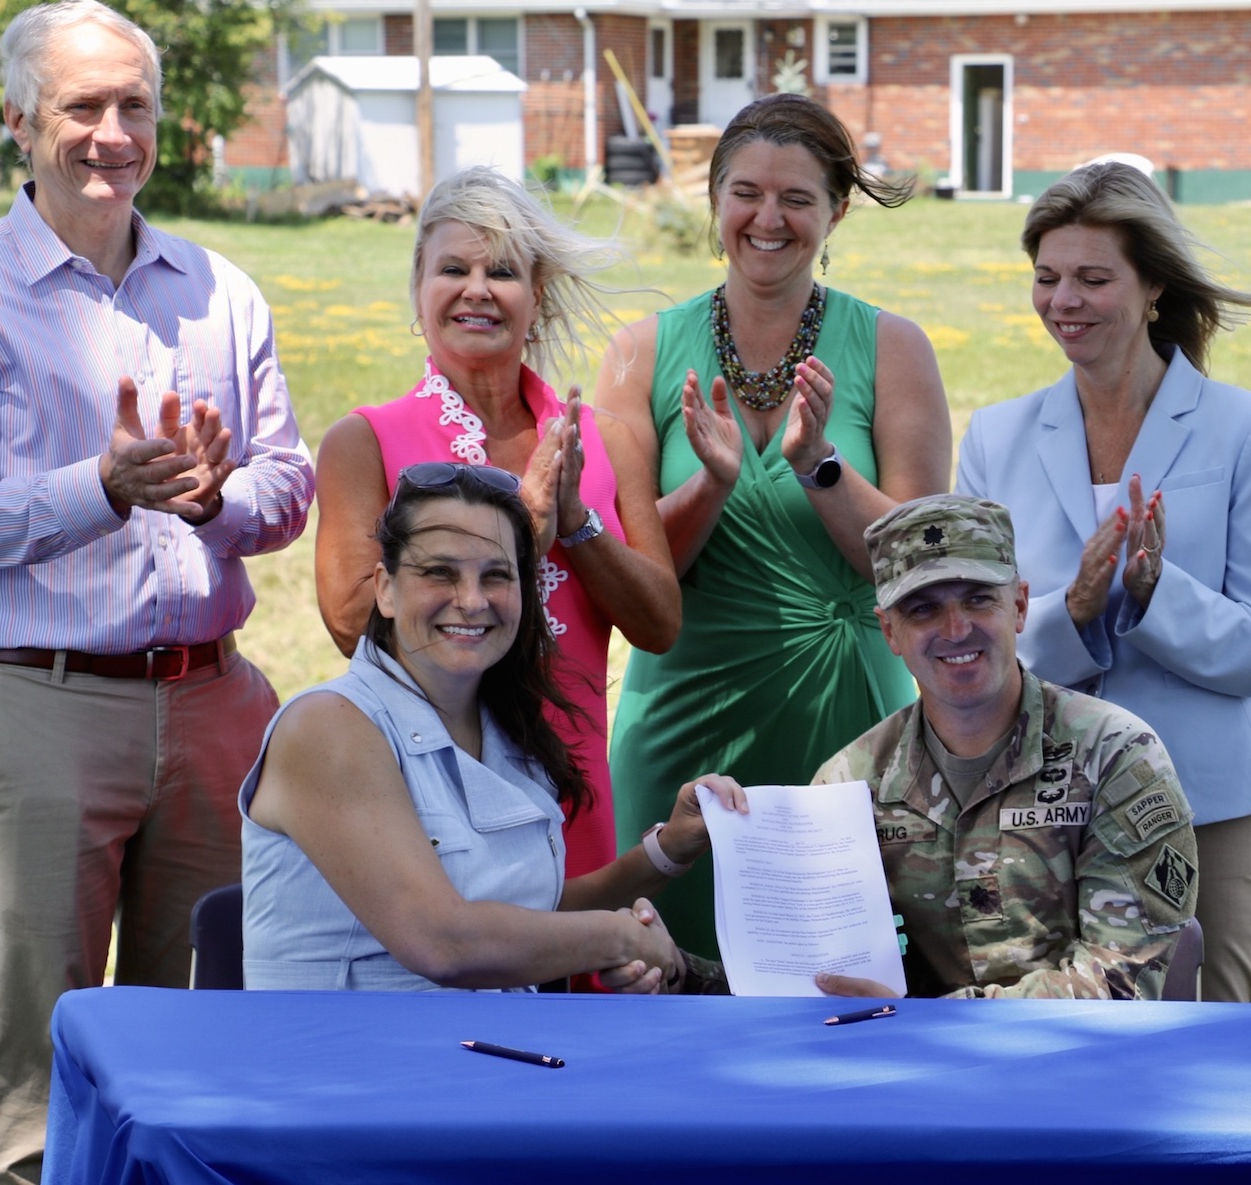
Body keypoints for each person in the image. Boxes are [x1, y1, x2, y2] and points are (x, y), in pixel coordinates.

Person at [0, 3, 314, 1180]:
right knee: (48, 1050)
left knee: (202, 1040)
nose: (112, 132)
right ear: (20, 120)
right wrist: (102, 489)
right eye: (83, 106)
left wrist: (216, 500)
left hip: (213, 701)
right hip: (39, 703)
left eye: (134, 105)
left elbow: (286, 486)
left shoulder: (219, 290)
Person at [596, 93, 951, 958]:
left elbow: (919, 566)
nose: (768, 218)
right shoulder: (639, 353)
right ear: (714, 200)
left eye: (797, 198)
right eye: (746, 193)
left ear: (836, 211)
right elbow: (632, 576)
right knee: (656, 972)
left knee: (841, 976)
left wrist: (819, 465)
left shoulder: (894, 348)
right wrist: (712, 485)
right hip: (679, 719)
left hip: (845, 717)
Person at [956, 160, 1251, 1003]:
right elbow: (970, 643)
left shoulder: (1247, 430)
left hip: (1205, 807)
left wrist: (1152, 595)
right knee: (1050, 1050)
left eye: (1093, 278)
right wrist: (1073, 613)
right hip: (1040, 815)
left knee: (1209, 1036)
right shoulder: (996, 438)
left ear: (1153, 287)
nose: (1063, 300)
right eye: (1047, 277)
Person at [632, 495, 1199, 1000]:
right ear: (889, 631)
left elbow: (1122, 978)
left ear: (1020, 607)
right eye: (922, 609)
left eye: (978, 599)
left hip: (1075, 1070)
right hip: (905, 1069)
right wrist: (678, 971)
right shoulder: (850, 784)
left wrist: (923, 1022)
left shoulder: (1115, 756)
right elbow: (808, 984)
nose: (955, 629)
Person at [243, 462, 737, 992]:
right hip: (351, 1046)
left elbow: (527, 916)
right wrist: (618, 939)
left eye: (496, 575)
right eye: (440, 572)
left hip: (487, 1041)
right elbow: (443, 942)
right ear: (385, 589)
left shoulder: (505, 727)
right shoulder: (326, 728)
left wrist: (668, 850)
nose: (473, 600)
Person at [314, 165, 678, 880]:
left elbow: (660, 624)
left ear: (536, 298)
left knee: (581, 941)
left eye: (502, 272)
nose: (477, 289)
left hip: (577, 779)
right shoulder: (365, 441)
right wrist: (527, 524)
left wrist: (577, 522)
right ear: (419, 288)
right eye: (454, 269)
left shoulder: (606, 440)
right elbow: (352, 624)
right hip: (434, 782)